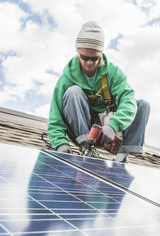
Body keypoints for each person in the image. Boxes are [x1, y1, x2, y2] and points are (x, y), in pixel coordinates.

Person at [47, 20, 150, 162]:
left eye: (94, 58)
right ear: (78, 53)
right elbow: (55, 116)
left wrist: (113, 125)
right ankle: (87, 148)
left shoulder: (113, 73)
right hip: (83, 126)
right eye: (85, 57)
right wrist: (59, 143)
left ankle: (122, 156)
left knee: (142, 105)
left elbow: (128, 99)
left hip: (108, 126)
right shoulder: (67, 78)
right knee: (73, 92)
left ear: (101, 54)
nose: (89, 62)